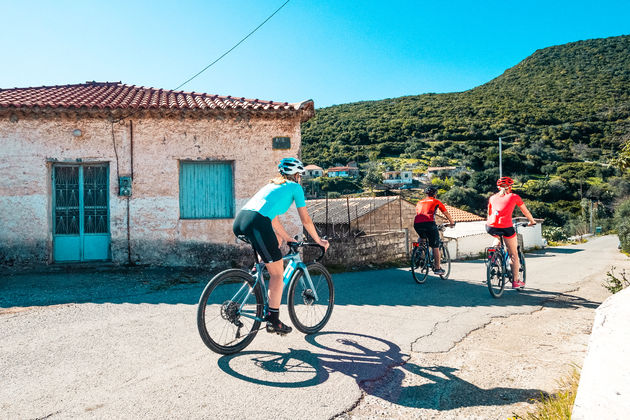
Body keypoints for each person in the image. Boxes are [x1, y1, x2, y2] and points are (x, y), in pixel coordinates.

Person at [233, 157, 329, 335]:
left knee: (275, 243)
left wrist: (286, 238)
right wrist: (319, 241)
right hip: (257, 222)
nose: (300, 178)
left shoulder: (271, 186)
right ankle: (273, 320)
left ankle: (257, 274)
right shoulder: (295, 187)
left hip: (241, 222)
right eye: (299, 175)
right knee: (278, 273)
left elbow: (274, 219)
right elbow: (306, 220)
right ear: (297, 175)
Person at [486, 176, 536, 289]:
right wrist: (532, 221)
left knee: (498, 238)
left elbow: (489, 214)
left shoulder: (492, 198)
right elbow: (525, 212)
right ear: (511, 187)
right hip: (506, 227)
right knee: (514, 254)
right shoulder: (514, 196)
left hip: (490, 227)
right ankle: (516, 281)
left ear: (498, 187)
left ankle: (493, 257)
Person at [414, 186, 455, 275]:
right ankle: (437, 268)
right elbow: (445, 213)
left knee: (422, 238)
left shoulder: (419, 202)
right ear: (435, 194)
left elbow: (419, 213)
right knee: (435, 246)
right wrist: (452, 222)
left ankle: (418, 253)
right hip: (429, 223)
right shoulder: (436, 201)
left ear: (426, 194)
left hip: (417, 224)